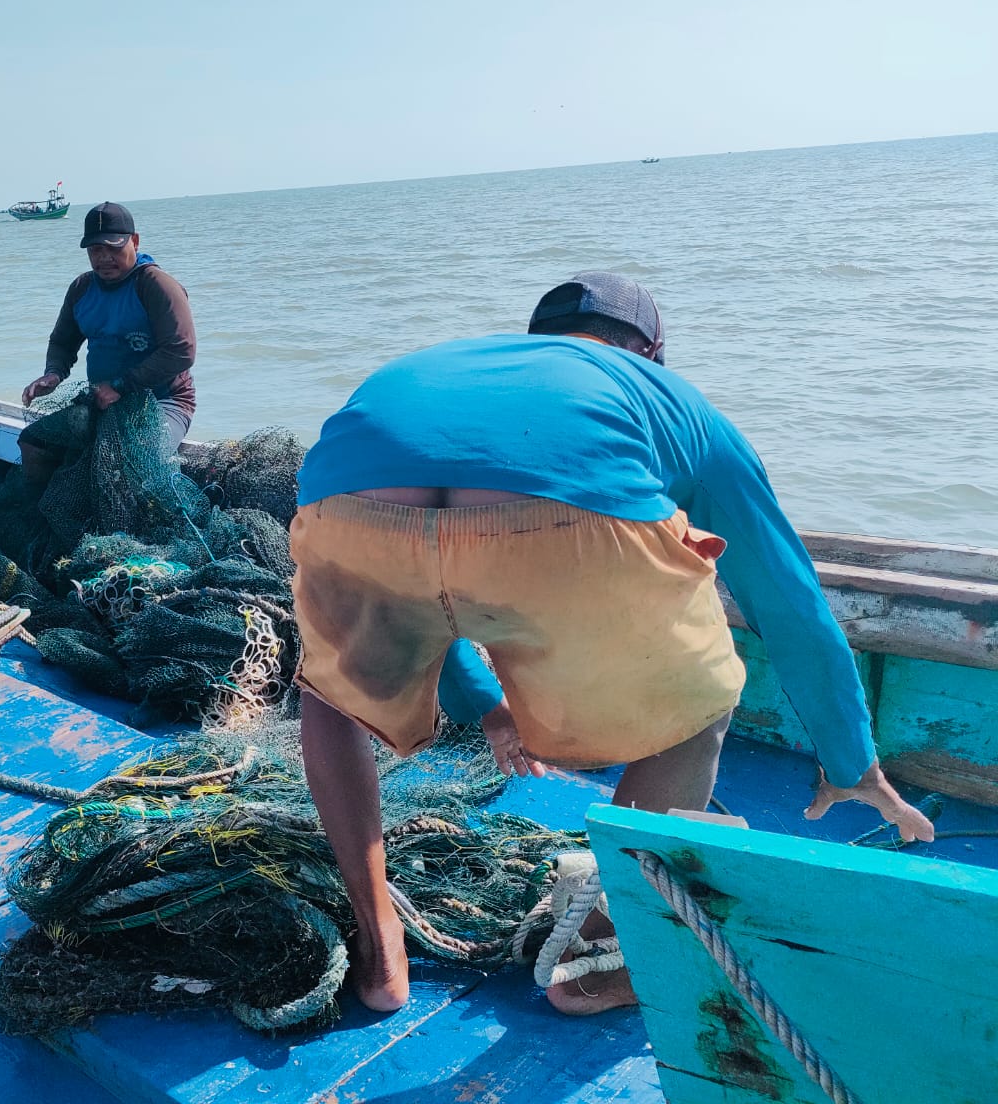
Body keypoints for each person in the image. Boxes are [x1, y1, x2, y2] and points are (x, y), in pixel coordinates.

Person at [290, 271, 935, 1019]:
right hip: (564, 524)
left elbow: (434, 580)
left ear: (537, 340)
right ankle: (598, 951)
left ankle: (381, 952)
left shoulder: (453, 363)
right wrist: (852, 762)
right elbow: (786, 601)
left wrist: (488, 709)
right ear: (652, 352)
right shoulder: (671, 398)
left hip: (343, 507)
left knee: (332, 694)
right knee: (701, 700)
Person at [20, 202, 196, 463]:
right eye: (95, 250)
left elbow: (182, 351)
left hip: (164, 402)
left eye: (113, 247)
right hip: (104, 403)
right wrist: (53, 373)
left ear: (134, 242)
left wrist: (122, 386)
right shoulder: (81, 288)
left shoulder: (156, 286)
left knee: (133, 460)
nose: (104, 258)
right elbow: (62, 342)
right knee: (34, 442)